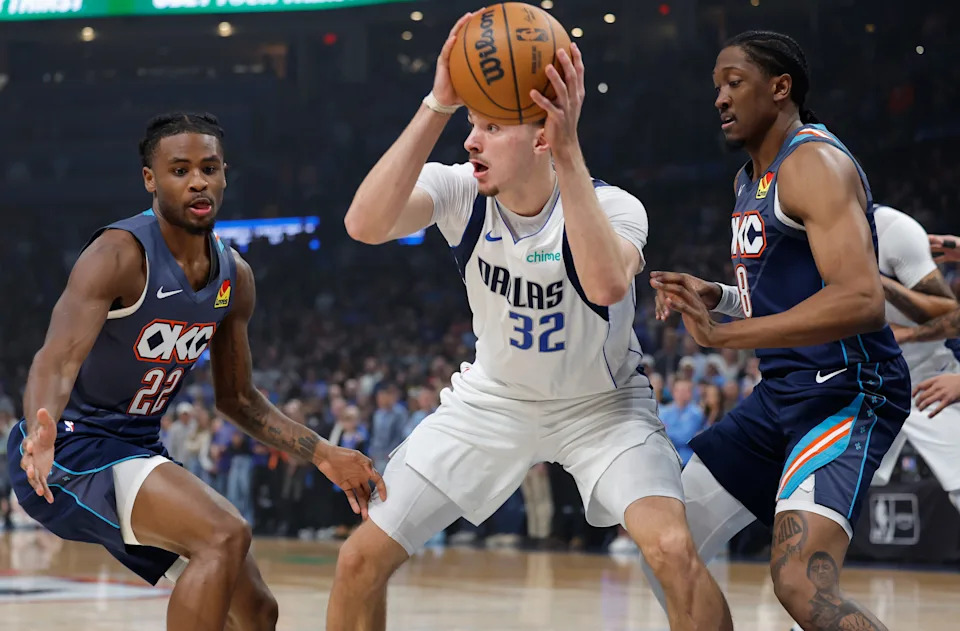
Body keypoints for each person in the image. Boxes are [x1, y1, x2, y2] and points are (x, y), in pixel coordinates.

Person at [327, 13, 731, 631]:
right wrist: (438, 102)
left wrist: (568, 151)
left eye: (491, 126)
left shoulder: (615, 206)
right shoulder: (460, 192)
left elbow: (605, 284)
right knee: (358, 561)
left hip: (602, 408)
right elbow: (364, 225)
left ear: (542, 137)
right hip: (493, 402)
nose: (471, 140)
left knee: (674, 552)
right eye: (471, 123)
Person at [7, 112, 385, 631]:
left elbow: (238, 399)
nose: (198, 181)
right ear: (150, 180)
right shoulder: (119, 254)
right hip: (72, 448)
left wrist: (322, 452)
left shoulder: (235, 276)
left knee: (256, 611)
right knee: (224, 534)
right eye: (179, 170)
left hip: (138, 447)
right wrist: (41, 427)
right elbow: (56, 357)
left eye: (209, 168)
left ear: (225, 174)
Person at [646, 31, 910, 631]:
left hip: (848, 390)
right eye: (717, 86)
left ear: (781, 87)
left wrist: (725, 336)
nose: (720, 98)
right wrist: (721, 297)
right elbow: (789, 296)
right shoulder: (748, 180)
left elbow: (863, 298)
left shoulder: (813, 163)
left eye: (734, 83)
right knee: (668, 548)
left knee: (800, 583)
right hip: (784, 393)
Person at [868, 204, 960, 513]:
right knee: (824, 488)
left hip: (938, 377)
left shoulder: (892, 229)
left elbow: (953, 316)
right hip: (872, 388)